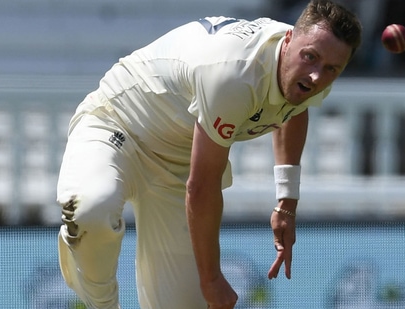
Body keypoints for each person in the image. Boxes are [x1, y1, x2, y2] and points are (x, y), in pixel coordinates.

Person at [56, 0, 362, 308]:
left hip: (178, 162)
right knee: (89, 210)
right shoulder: (234, 74)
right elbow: (202, 187)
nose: (315, 77)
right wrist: (212, 279)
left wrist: (286, 202)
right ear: (288, 40)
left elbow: (294, 109)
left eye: (331, 69)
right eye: (310, 58)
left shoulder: (316, 67)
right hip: (116, 124)